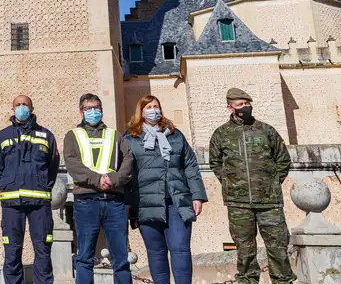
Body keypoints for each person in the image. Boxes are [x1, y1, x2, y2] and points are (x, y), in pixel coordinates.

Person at [209, 89, 295, 284]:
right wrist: (229, 182)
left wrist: (272, 183)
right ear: (229, 107)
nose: (245, 107)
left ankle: (283, 281)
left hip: (269, 202)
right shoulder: (221, 134)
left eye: (247, 103)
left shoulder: (267, 130)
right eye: (240, 104)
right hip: (238, 203)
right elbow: (215, 163)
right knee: (245, 249)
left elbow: (283, 160)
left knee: (278, 247)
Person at [123, 96, 207, 284]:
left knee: (181, 248)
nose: (154, 110)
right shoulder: (130, 138)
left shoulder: (175, 135)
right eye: (149, 107)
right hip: (146, 204)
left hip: (177, 201)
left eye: (156, 106)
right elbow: (125, 172)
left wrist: (197, 196)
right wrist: (127, 202)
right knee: (156, 252)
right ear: (141, 112)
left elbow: (191, 166)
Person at [63, 93, 134, 284]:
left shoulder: (115, 135)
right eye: (88, 108)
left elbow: (128, 162)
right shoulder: (72, 136)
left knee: (121, 257)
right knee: (85, 257)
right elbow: (72, 164)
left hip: (114, 202)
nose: (93, 112)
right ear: (81, 112)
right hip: (86, 202)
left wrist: (112, 180)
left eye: (96, 108)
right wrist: (96, 180)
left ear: (101, 111)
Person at [0, 95, 59, 284]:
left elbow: (53, 166)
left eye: (25, 105)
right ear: (12, 109)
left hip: (40, 204)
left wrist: (44, 185)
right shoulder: (1, 136)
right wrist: (6, 185)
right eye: (18, 105)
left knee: (43, 252)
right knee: (12, 252)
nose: (22, 108)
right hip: (12, 203)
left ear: (32, 108)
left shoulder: (46, 135)